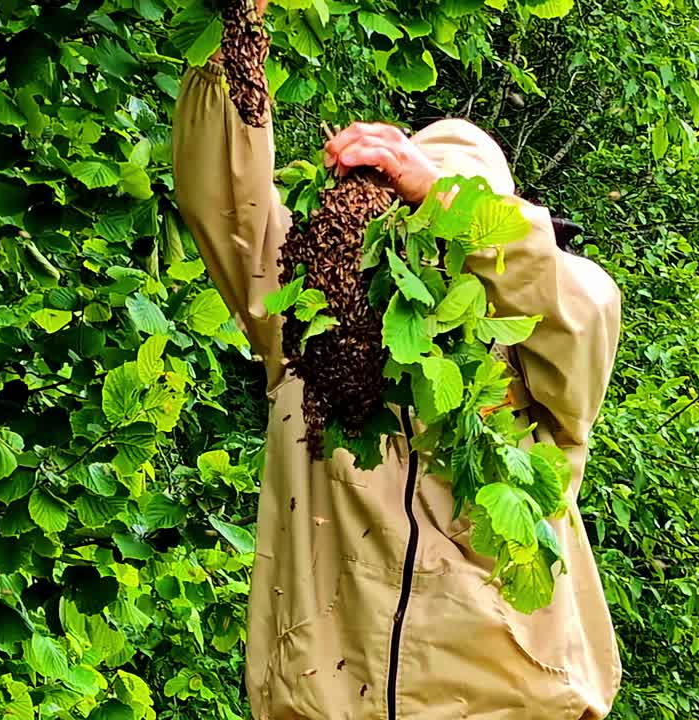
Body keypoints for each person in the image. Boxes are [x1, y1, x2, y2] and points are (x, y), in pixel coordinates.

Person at [171, 8, 623, 717]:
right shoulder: (310, 337)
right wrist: (236, 32)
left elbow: (583, 305)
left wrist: (442, 196)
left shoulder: (532, 353)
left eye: (437, 221)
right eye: (399, 220)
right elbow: (228, 202)